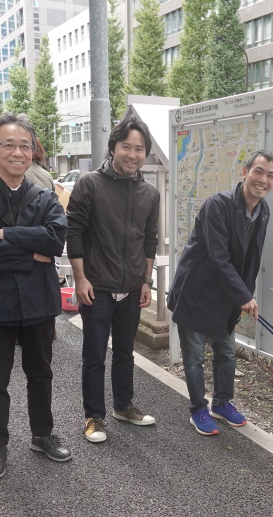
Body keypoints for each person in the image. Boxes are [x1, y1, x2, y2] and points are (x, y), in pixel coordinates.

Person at [0, 112, 71, 480]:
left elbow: (55, 240)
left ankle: (42, 434)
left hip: (37, 301)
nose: (18, 152)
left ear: (32, 151)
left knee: (41, 372)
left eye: (24, 145)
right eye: (9, 145)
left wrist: (5, 235)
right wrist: (31, 254)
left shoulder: (45, 196)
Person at [168, 150, 273, 435]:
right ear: (245, 172)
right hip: (196, 291)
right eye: (258, 171)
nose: (263, 180)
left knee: (227, 353)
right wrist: (242, 295)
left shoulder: (262, 211)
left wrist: (245, 293)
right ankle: (198, 409)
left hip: (227, 295)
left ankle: (221, 403)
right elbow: (219, 257)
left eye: (271, 175)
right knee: (194, 356)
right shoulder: (217, 205)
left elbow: (252, 259)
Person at [67, 116, 160, 443]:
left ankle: (123, 405)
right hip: (97, 287)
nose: (133, 155)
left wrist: (146, 281)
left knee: (125, 352)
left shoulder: (149, 193)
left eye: (139, 149)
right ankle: (94, 416)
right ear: (113, 148)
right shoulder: (89, 184)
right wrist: (80, 279)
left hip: (132, 288)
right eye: (126, 147)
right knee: (94, 355)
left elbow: (150, 239)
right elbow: (74, 232)